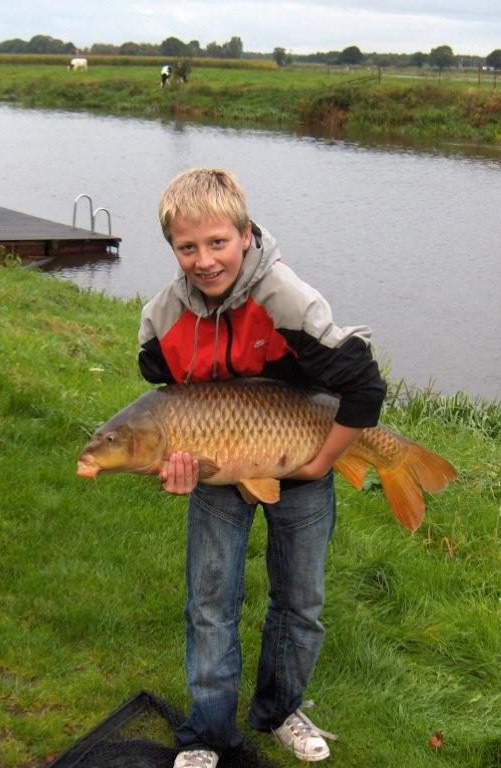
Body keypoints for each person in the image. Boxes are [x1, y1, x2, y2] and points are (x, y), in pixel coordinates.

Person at [138, 168, 386, 767]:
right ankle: (207, 733)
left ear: (246, 235)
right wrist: (177, 463)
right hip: (223, 470)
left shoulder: (285, 297)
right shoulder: (162, 319)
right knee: (209, 601)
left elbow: (365, 387)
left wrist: (322, 460)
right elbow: (171, 401)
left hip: (303, 450)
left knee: (300, 600)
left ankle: (279, 711)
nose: (204, 260)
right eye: (187, 247)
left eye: (218, 242)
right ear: (173, 249)